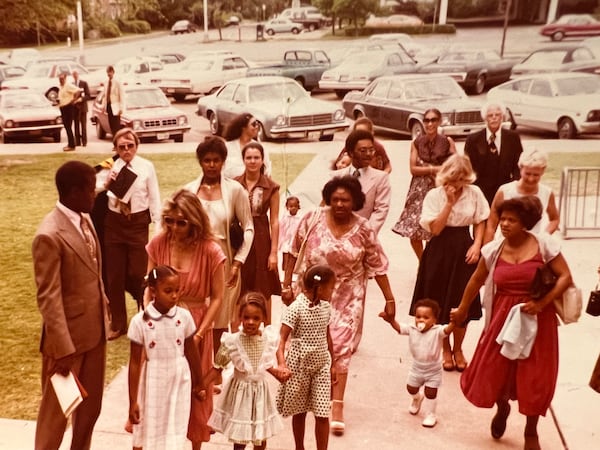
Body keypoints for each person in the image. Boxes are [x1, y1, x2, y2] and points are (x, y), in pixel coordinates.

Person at [451, 196, 573, 450]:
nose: (504, 224)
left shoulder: (544, 245)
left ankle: (531, 429)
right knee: (498, 369)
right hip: (503, 317)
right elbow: (476, 280)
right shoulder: (493, 249)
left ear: (525, 223)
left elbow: (565, 277)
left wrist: (542, 303)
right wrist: (462, 309)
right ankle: (503, 406)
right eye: (503, 218)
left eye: (512, 220)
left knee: (535, 374)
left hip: (539, 318)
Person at [282, 176, 396, 435]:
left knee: (340, 347)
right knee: (305, 345)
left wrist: (390, 299)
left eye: (346, 200)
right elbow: (291, 250)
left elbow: (377, 265)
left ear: (355, 201)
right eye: (335, 199)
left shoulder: (364, 229)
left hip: (348, 294)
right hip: (311, 293)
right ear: (329, 200)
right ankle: (305, 395)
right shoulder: (312, 218)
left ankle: (337, 405)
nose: (340, 204)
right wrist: (286, 284)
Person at [32, 160, 110, 450]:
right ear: (74, 192)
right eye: (91, 190)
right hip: (67, 347)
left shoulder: (84, 218)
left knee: (89, 413)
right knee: (56, 418)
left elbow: (92, 275)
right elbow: (48, 298)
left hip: (94, 336)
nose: (95, 194)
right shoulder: (49, 235)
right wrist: (63, 349)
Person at [146, 189, 226, 449]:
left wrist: (201, 333)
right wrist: (149, 319)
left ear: (195, 221)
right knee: (160, 388)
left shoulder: (211, 250)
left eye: (182, 222)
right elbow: (149, 285)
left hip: (196, 325)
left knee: (197, 389)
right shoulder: (158, 243)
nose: (174, 227)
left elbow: (217, 297)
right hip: (161, 324)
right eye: (169, 220)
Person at [410, 154, 490, 373]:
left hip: (464, 247)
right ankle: (445, 348)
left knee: (461, 300)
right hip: (440, 249)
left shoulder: (475, 193)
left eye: (461, 181)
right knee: (440, 301)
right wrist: (449, 203)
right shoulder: (434, 195)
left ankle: (459, 348)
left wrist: (477, 245)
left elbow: (481, 219)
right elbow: (434, 229)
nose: (456, 185)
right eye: (452, 180)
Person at [184, 136, 254, 353]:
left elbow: (249, 228)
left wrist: (238, 263)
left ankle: (214, 372)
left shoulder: (235, 191)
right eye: (207, 160)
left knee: (221, 318)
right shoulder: (190, 191)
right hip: (195, 261)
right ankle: (197, 370)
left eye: (216, 160)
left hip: (225, 262)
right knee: (195, 316)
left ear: (223, 161)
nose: (212, 165)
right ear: (200, 162)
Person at [127, 265, 204, 450]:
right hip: (153, 381)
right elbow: (135, 363)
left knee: (174, 430)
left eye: (177, 290)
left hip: (179, 380)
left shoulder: (184, 317)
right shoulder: (141, 321)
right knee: (146, 429)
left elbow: (191, 351)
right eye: (168, 291)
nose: (175, 296)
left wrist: (199, 382)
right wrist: (132, 401)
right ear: (153, 291)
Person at [205, 292, 289, 450]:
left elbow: (264, 364)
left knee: (261, 435)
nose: (251, 322)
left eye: (256, 318)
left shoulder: (268, 339)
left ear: (263, 318)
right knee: (240, 436)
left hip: (260, 394)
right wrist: (201, 385)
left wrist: (278, 372)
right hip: (240, 395)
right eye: (246, 317)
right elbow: (217, 369)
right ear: (240, 317)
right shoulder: (232, 342)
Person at [102, 128, 162, 340]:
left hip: (138, 223)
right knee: (114, 276)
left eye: (130, 146)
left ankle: (144, 316)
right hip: (114, 223)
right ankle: (118, 323)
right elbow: (96, 192)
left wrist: (157, 227)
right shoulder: (109, 166)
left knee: (139, 274)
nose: (126, 150)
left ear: (137, 146)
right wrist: (107, 182)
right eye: (122, 147)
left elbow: (154, 196)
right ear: (115, 148)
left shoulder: (147, 167)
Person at [276, 264, 337, 450]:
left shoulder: (326, 307)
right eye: (330, 288)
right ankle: (299, 447)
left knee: (322, 412)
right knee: (299, 410)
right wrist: (282, 364)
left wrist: (333, 363)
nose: (332, 292)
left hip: (320, 366)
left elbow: (327, 336)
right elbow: (281, 339)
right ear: (318, 288)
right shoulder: (296, 308)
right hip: (299, 366)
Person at [380, 298, 455, 428]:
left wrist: (454, 321)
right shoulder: (412, 329)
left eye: (426, 317)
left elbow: (448, 330)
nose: (421, 320)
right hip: (417, 368)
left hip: (433, 370)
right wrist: (391, 320)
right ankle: (417, 398)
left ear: (434, 320)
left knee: (431, 392)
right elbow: (399, 328)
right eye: (418, 316)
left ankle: (431, 414)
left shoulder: (437, 331)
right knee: (411, 388)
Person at [392, 108, 456, 260]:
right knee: (413, 228)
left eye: (433, 120)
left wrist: (425, 167)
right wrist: (435, 168)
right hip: (418, 190)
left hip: (438, 187)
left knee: (433, 229)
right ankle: (423, 261)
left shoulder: (447, 142)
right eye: (426, 120)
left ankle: (431, 261)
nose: (430, 123)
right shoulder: (417, 142)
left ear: (439, 121)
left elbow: (454, 166)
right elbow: (413, 169)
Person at [234, 142, 281, 324]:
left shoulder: (271, 187)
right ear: (243, 160)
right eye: (248, 157)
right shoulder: (234, 183)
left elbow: (275, 220)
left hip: (261, 239)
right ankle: (237, 333)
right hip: (239, 237)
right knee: (239, 285)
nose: (252, 161)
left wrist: (274, 252)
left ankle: (266, 333)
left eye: (256, 157)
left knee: (263, 285)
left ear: (262, 160)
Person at [484, 148, 559, 243]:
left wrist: (544, 236)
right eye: (527, 174)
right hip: (506, 244)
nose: (531, 179)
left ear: (543, 171)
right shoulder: (505, 191)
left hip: (532, 245)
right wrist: (486, 250)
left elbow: (554, 219)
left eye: (536, 175)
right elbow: (491, 224)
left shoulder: (547, 193)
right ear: (520, 168)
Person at [330, 129, 391, 236]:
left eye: (371, 150)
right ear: (351, 153)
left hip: (364, 236)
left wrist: (365, 234)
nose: (368, 154)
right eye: (363, 151)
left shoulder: (381, 178)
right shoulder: (336, 176)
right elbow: (328, 208)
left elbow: (381, 210)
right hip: (336, 235)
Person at [464, 101, 523, 205]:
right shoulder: (473, 139)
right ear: (485, 118)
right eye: (490, 115)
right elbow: (468, 168)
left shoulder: (513, 138)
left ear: (502, 117)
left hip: (505, 190)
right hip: (480, 192)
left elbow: (518, 165)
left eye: (497, 115)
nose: (494, 117)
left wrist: (514, 186)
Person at [222, 112, 272, 178]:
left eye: (257, 124)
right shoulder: (227, 147)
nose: (257, 127)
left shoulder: (260, 147)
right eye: (254, 124)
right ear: (243, 128)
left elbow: (267, 172)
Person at [57, 72, 80, 152]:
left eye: (62, 79)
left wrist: (73, 100)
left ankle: (72, 145)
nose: (61, 80)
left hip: (68, 107)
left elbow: (78, 91)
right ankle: (70, 143)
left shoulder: (68, 85)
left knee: (68, 126)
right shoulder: (61, 87)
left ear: (65, 78)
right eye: (60, 79)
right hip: (62, 107)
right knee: (66, 127)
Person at [279, 196, 302, 272]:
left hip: (294, 241)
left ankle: (292, 272)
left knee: (293, 259)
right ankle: (285, 272)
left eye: (295, 206)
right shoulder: (285, 217)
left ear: (298, 207)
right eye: (291, 206)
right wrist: (280, 241)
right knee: (285, 257)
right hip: (286, 241)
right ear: (287, 207)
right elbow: (281, 229)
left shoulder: (300, 218)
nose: (293, 208)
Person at [101, 65, 124, 136]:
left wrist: (121, 107)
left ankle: (118, 143)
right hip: (108, 106)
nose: (108, 74)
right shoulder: (106, 82)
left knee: (116, 126)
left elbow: (121, 95)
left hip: (115, 107)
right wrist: (103, 106)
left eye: (110, 72)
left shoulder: (117, 82)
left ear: (113, 72)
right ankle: (114, 142)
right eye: (107, 72)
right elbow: (104, 95)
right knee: (111, 126)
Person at [72, 69, 90, 147]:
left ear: (78, 74)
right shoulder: (72, 85)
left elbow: (88, 95)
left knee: (83, 126)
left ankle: (84, 142)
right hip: (75, 108)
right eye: (73, 74)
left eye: (76, 74)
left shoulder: (84, 83)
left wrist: (81, 99)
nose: (75, 75)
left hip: (83, 108)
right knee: (76, 126)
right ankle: (77, 142)